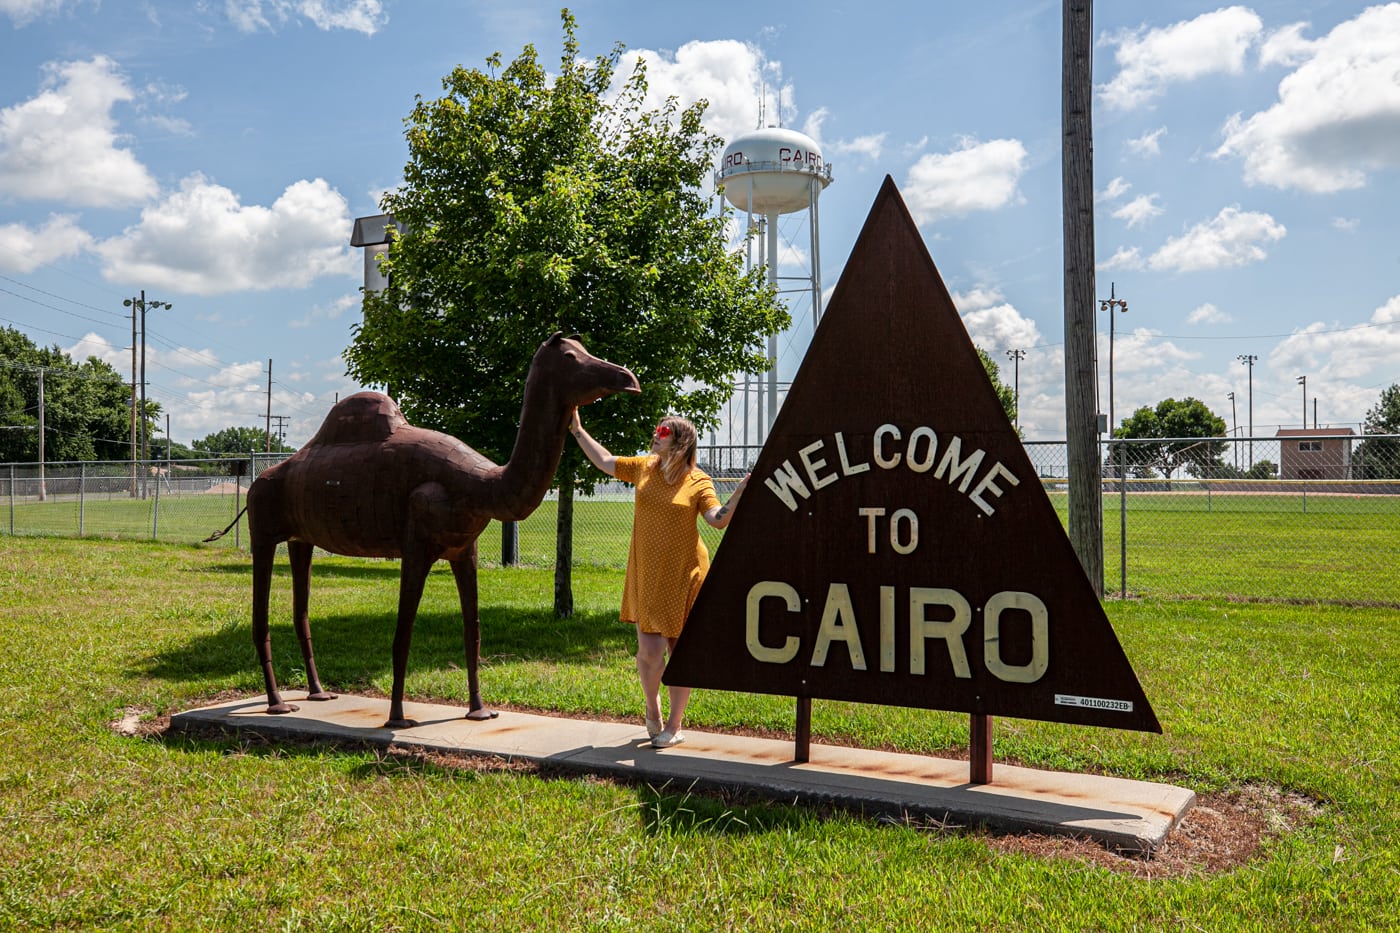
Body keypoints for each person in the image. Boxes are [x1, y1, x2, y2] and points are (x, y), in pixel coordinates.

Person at [570, 409, 748, 748]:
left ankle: (675, 725)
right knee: (649, 651)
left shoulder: (699, 481)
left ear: (680, 442)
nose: (655, 434)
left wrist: (737, 494)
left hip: (685, 574)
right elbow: (605, 460)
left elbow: (716, 519)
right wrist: (578, 431)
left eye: (662, 431)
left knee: (679, 652)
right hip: (649, 573)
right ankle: (652, 711)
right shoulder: (643, 468)